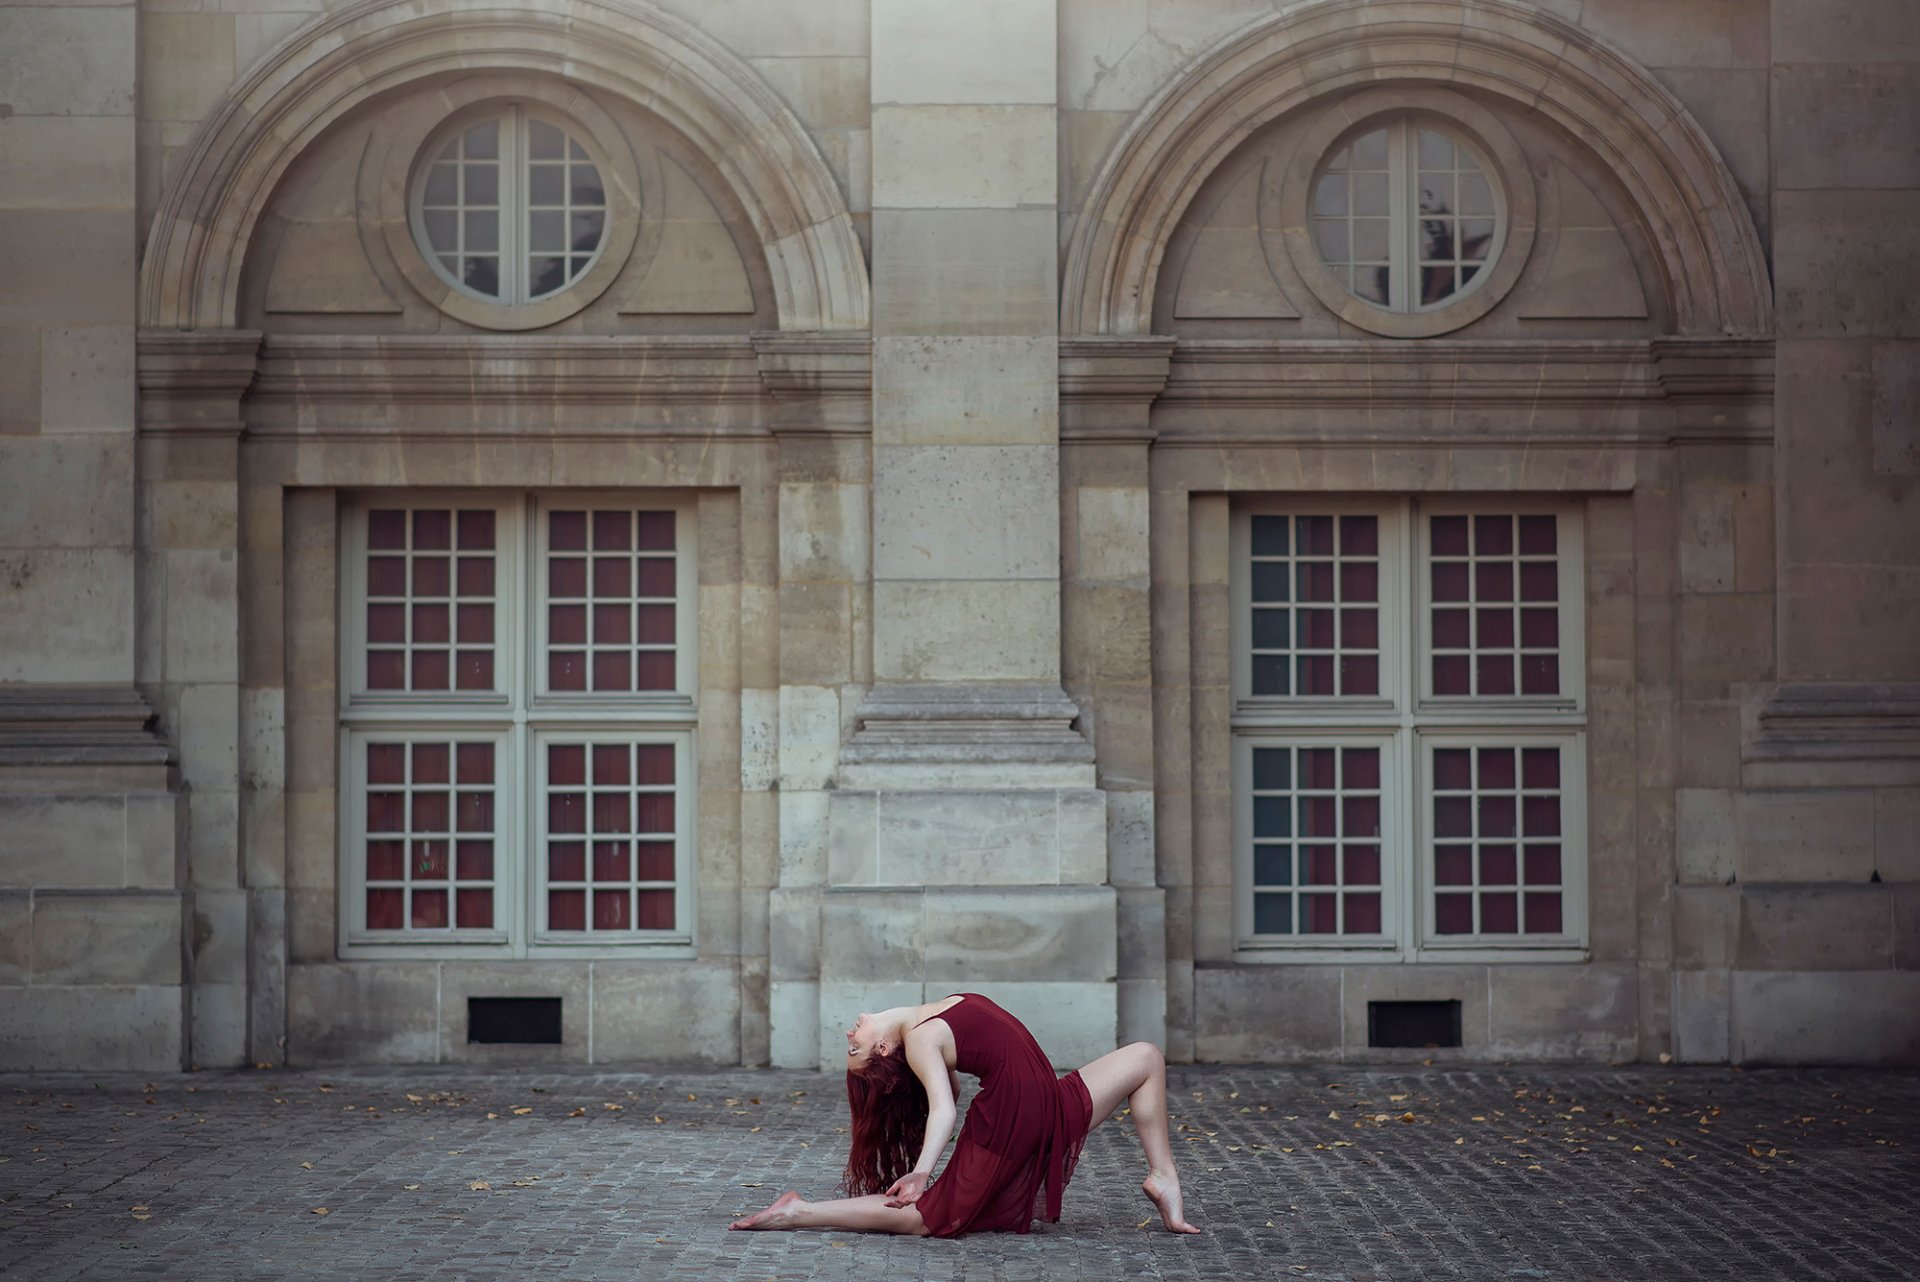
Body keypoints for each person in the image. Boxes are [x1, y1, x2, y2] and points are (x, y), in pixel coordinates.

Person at [729, 992, 1200, 1236]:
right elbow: (943, 1108)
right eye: (855, 1047)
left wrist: (937, 1092)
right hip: (1013, 1113)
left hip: (1044, 1100)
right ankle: (798, 1213)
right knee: (926, 1218)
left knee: (1145, 1057)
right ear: (883, 1046)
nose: (848, 1034)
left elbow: (948, 1087)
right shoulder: (917, 1039)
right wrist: (921, 1170)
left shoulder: (923, 1023)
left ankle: (1164, 1176)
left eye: (848, 1046)